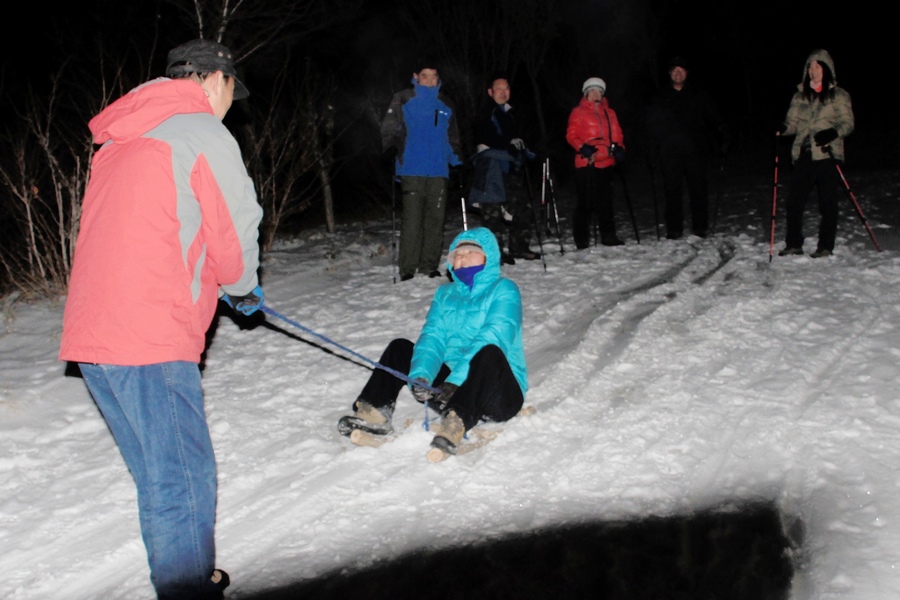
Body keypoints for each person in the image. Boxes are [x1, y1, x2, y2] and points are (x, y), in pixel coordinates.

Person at [59, 39, 264, 599]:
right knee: (182, 478)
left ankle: (185, 578)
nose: (230, 102)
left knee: (158, 474)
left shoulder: (122, 137)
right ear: (215, 79)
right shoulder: (201, 132)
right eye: (231, 89)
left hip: (93, 332)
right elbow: (234, 225)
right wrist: (244, 287)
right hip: (150, 329)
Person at [336, 227, 527, 463]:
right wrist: (422, 376)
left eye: (471, 251)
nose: (462, 257)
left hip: (498, 395)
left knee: (488, 352)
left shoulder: (504, 289)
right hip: (449, 393)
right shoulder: (445, 294)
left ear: (489, 257)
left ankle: (457, 422)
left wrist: (456, 381)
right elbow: (432, 338)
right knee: (401, 348)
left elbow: (495, 335)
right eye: (457, 254)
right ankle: (375, 414)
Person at [381, 61, 463, 281]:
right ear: (416, 76)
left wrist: (457, 160)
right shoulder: (404, 98)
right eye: (425, 75)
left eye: (434, 76)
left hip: (438, 169)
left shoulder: (446, 103)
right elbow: (390, 124)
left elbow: (453, 136)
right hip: (412, 168)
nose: (430, 80)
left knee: (435, 219)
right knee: (412, 219)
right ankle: (407, 267)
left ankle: (429, 265)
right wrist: (390, 145)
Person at [777, 49, 854, 258]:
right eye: (810, 66)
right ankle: (794, 243)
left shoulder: (838, 95)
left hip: (827, 154)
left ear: (827, 69)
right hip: (804, 153)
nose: (813, 70)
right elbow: (792, 123)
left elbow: (848, 123)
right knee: (794, 202)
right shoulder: (799, 96)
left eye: (817, 66)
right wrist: (783, 128)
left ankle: (825, 246)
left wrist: (833, 132)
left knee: (827, 203)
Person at [646, 56, 728, 240]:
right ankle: (674, 229)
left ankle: (700, 227)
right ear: (669, 73)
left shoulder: (698, 94)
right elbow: (651, 125)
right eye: (674, 69)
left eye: (681, 70)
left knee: (698, 190)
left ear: (687, 73)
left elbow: (713, 116)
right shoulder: (660, 96)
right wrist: (652, 150)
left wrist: (723, 133)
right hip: (670, 152)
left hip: (695, 151)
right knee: (672, 192)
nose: (678, 73)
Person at [469, 74, 539, 263]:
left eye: (506, 88)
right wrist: (509, 145)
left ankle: (519, 247)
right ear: (490, 92)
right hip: (491, 168)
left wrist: (522, 150)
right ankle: (495, 253)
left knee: (522, 207)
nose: (503, 92)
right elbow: (484, 137)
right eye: (498, 89)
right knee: (492, 212)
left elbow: (517, 141)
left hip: (509, 168)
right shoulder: (486, 112)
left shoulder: (510, 114)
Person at [565, 77, 626, 249]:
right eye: (592, 91)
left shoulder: (610, 113)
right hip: (587, 161)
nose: (596, 94)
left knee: (605, 201)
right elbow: (571, 134)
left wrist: (620, 149)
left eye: (599, 91)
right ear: (586, 93)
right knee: (585, 202)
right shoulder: (578, 111)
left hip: (606, 161)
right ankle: (582, 239)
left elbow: (617, 136)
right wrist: (582, 147)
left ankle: (608, 235)